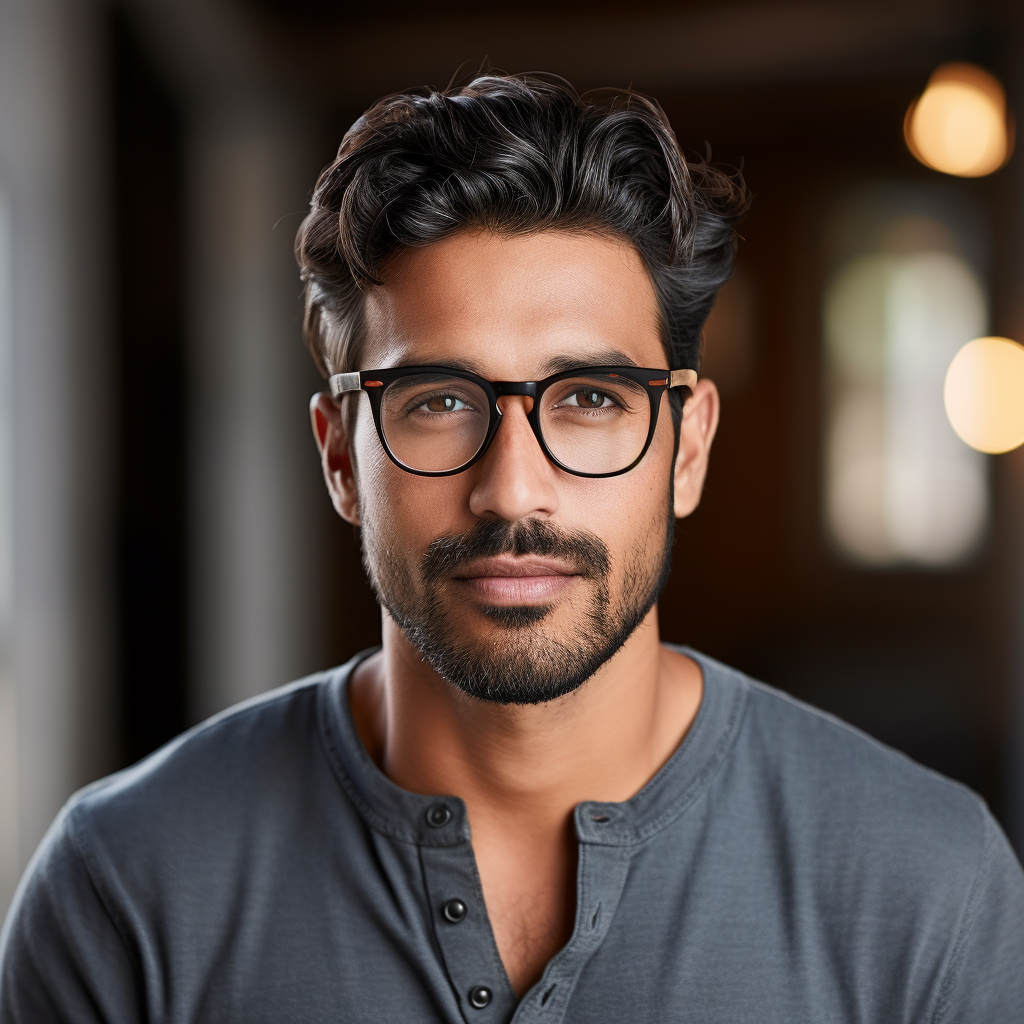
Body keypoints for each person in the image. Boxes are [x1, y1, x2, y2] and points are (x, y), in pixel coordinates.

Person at [2, 73, 1022, 1024]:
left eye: (588, 400)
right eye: (438, 401)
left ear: (688, 447)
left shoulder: (926, 889)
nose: (512, 489)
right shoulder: (125, 889)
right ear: (341, 461)